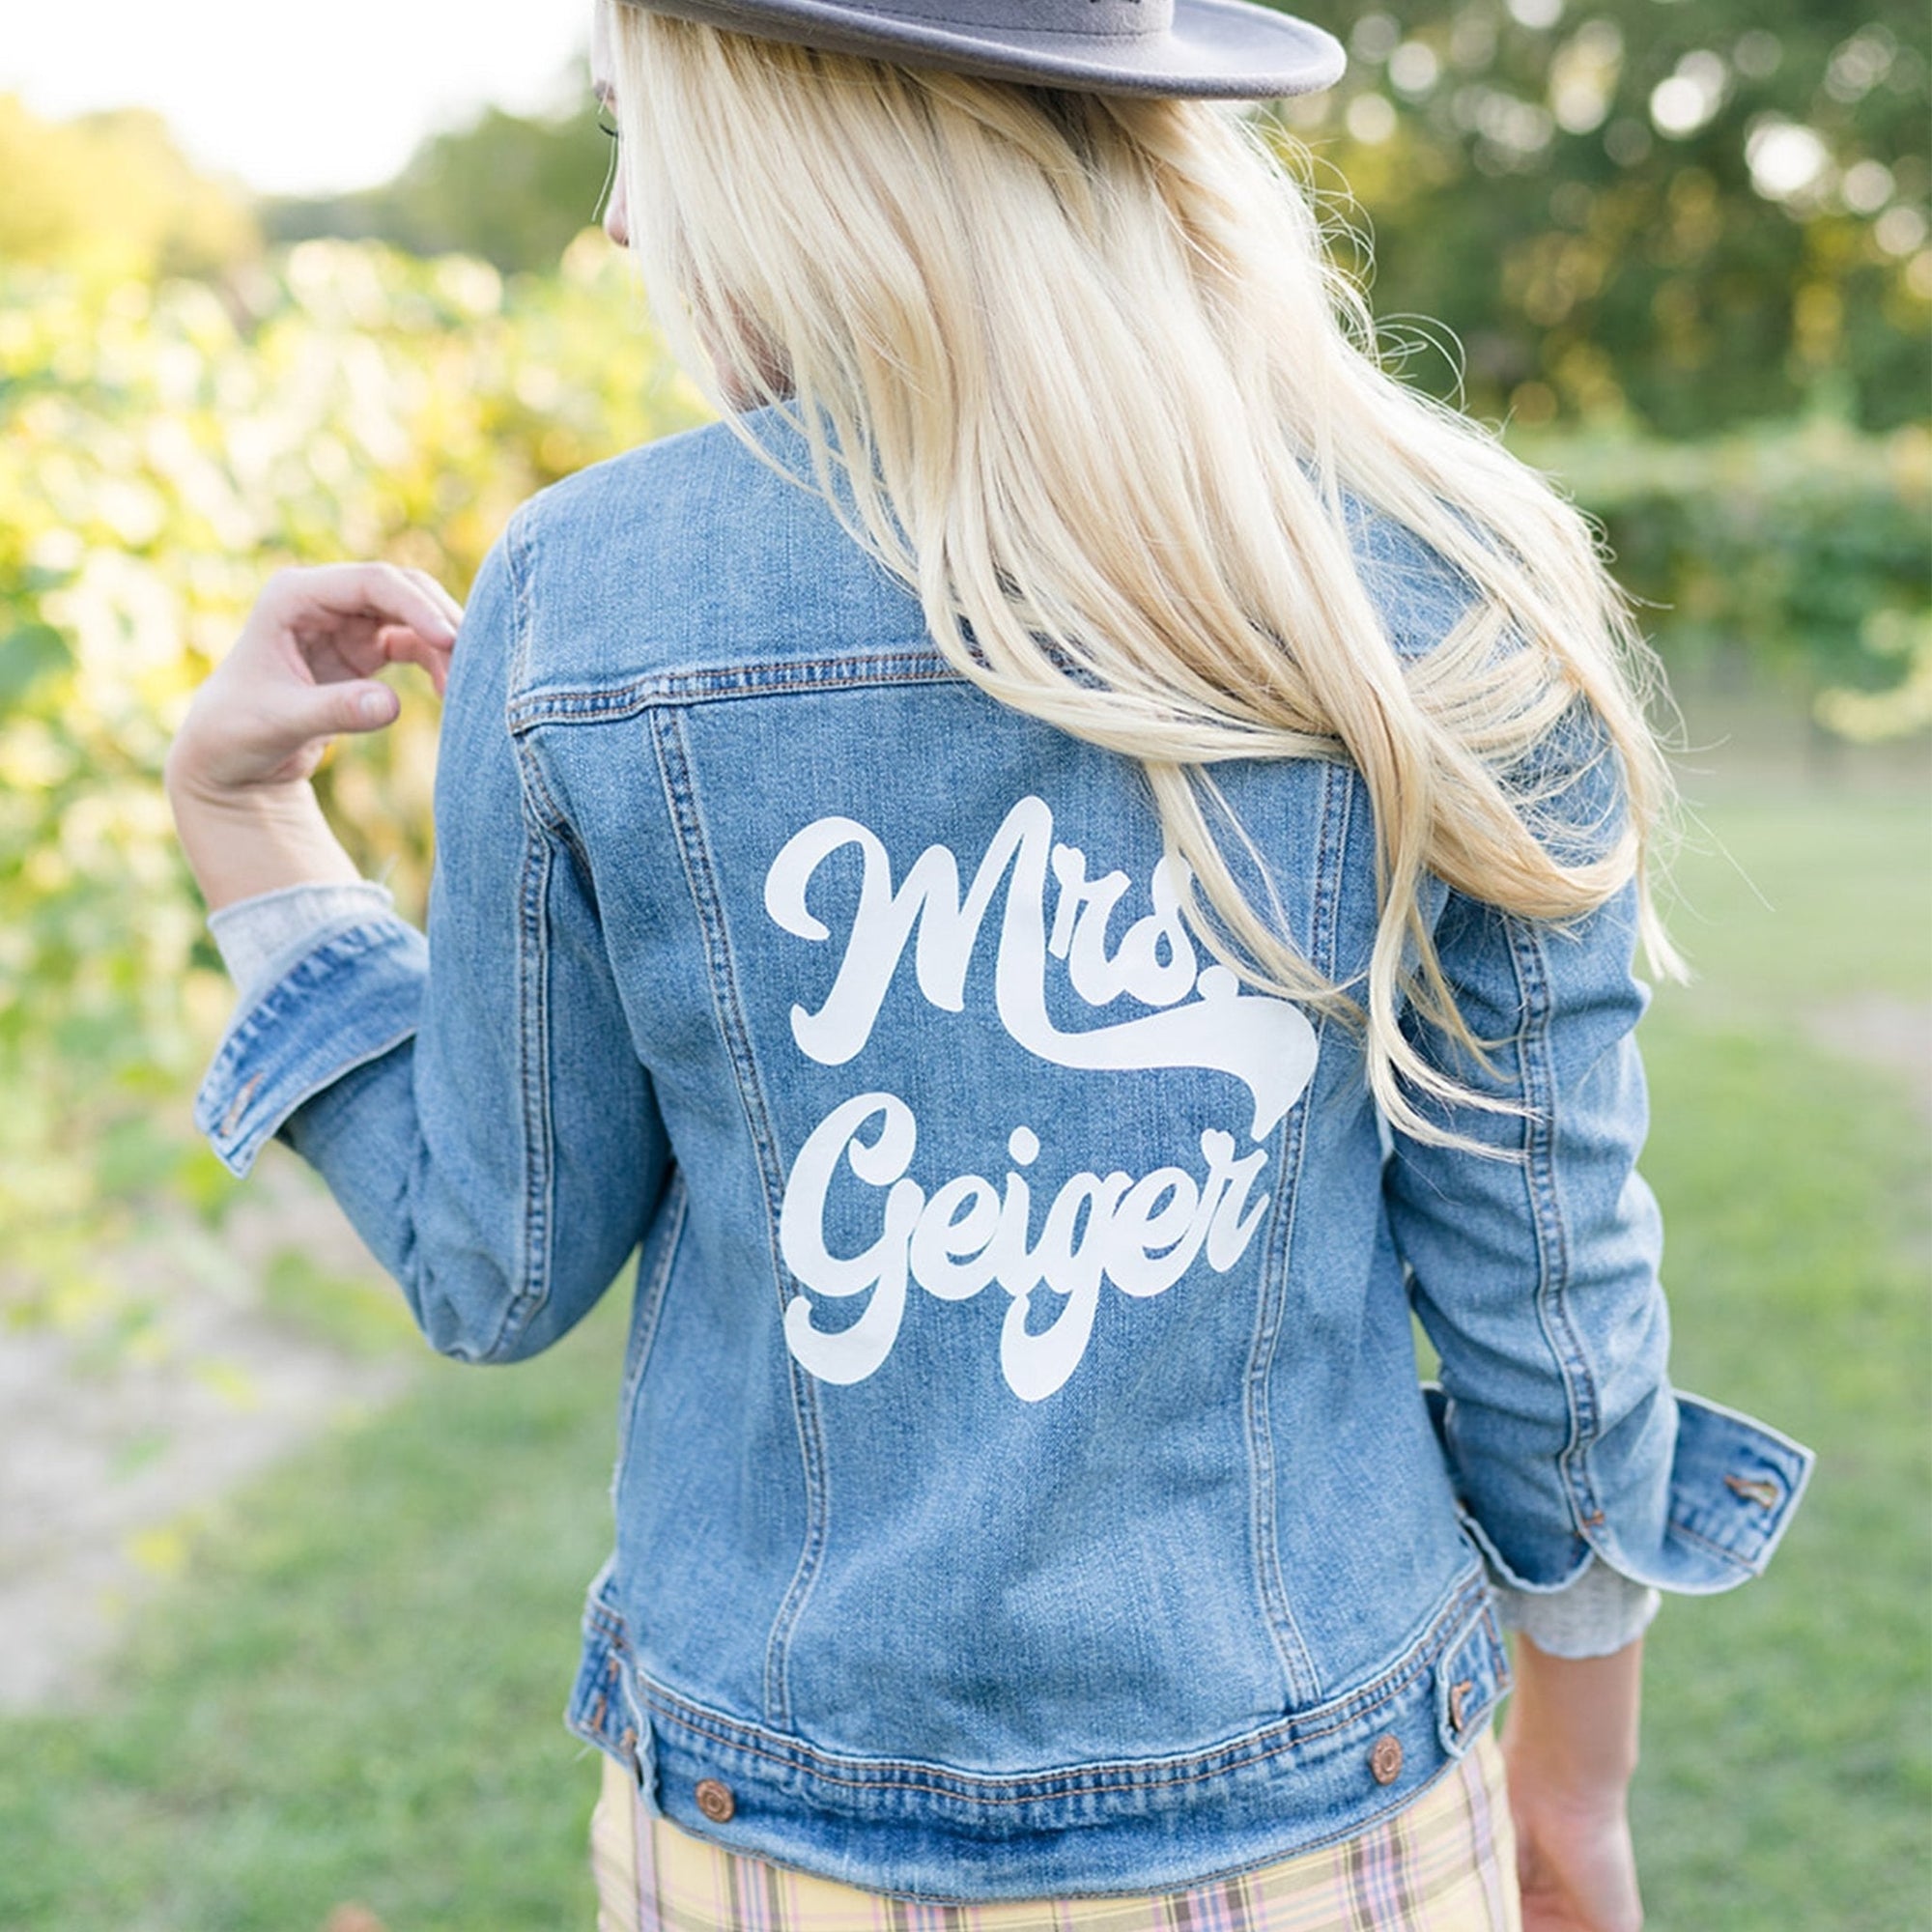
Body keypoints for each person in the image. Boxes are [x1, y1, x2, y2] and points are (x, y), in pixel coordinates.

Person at [164, 2, 1815, 1926]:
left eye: (640, 127)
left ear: (793, 138)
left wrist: (251, 828)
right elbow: (1548, 1282)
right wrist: (1578, 1793)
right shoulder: (1439, 575)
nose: (618, 219)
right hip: (1333, 1812)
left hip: (760, 1847)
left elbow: (494, 1257)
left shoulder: (587, 595)